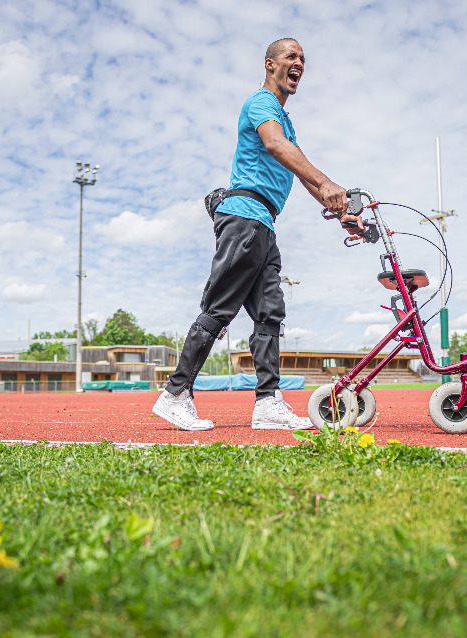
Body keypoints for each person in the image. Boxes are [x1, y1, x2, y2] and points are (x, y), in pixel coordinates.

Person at [152, 38, 364, 431]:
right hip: (244, 218)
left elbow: (299, 171)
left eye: (303, 58)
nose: (299, 62)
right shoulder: (261, 105)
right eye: (291, 56)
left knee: (269, 315)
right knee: (219, 308)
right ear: (270, 64)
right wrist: (328, 181)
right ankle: (175, 394)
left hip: (265, 225)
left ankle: (268, 403)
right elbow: (275, 146)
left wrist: (340, 214)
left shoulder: (287, 122)